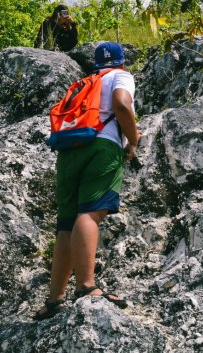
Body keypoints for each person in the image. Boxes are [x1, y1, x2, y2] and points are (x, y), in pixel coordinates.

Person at [34, 42, 140, 320]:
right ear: (121, 61)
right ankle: (86, 286)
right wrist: (133, 140)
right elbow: (120, 103)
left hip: (69, 151)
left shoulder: (85, 82)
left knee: (66, 223)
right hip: (101, 147)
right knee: (90, 214)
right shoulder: (121, 76)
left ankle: (54, 300)